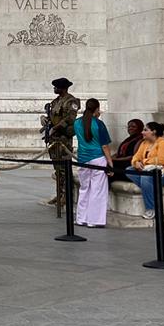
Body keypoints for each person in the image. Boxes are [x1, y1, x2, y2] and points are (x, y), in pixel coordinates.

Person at [42, 77, 80, 212]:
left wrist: (56, 127)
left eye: (56, 87)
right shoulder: (55, 101)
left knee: (65, 168)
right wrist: (46, 121)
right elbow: (52, 116)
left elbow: (70, 118)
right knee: (57, 169)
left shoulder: (71, 101)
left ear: (63, 88)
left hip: (63, 138)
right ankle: (59, 194)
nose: (54, 89)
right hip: (54, 139)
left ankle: (66, 195)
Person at [73, 98, 112, 227]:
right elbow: (105, 146)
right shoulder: (98, 124)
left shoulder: (77, 123)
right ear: (97, 108)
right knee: (97, 190)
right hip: (98, 158)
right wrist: (110, 163)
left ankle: (81, 218)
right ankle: (94, 220)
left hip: (83, 158)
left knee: (84, 189)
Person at [125, 121, 164, 219]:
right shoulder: (144, 143)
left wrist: (143, 162)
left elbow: (161, 160)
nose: (142, 132)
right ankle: (149, 187)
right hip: (147, 171)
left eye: (145, 130)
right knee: (129, 170)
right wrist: (136, 163)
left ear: (153, 131)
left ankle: (151, 209)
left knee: (145, 178)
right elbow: (135, 157)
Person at [107, 118, 144, 183]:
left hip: (130, 164)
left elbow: (133, 156)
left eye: (133, 126)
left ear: (140, 128)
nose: (130, 128)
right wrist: (110, 158)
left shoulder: (140, 140)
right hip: (122, 162)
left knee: (110, 167)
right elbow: (118, 153)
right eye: (129, 126)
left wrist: (115, 160)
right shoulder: (129, 139)